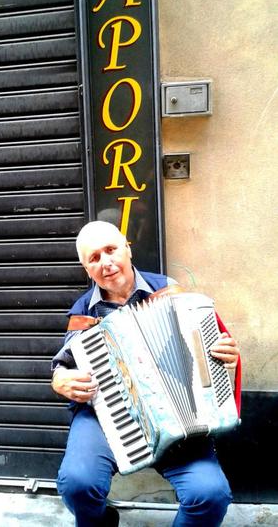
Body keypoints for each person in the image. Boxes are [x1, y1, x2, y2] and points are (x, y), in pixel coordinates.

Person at [51, 221, 240, 527]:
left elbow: (205, 347)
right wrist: (61, 381)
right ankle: (101, 521)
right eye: (94, 258)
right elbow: (62, 367)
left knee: (210, 494)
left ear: (127, 248)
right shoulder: (83, 312)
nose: (106, 262)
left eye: (111, 250)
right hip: (107, 416)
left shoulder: (169, 291)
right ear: (86, 269)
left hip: (180, 418)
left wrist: (222, 355)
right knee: (77, 484)